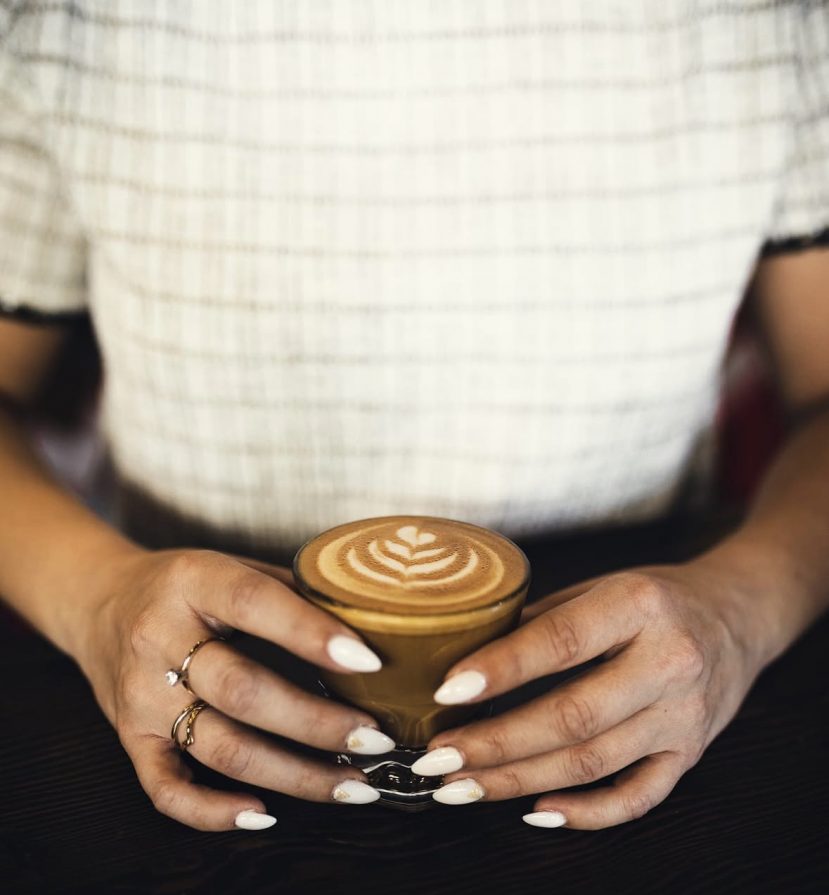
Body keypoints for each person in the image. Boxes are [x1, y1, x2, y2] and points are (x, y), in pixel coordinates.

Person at [1, 1, 828, 833]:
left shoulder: (769, 22)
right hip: (193, 713)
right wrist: (97, 601)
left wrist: (737, 614)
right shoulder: (72, 21)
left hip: (640, 726)